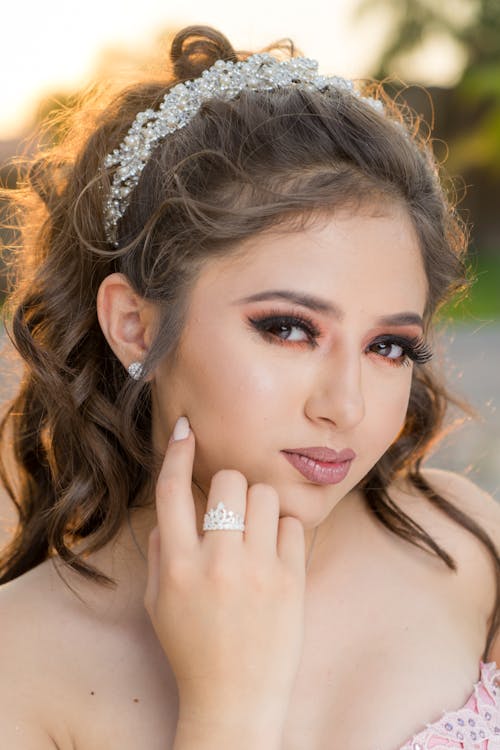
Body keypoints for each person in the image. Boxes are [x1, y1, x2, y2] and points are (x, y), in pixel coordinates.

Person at [0, 24, 498, 750]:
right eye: (289, 329)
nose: (348, 406)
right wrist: (225, 713)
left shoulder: (465, 545)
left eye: (388, 346)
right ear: (135, 327)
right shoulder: (20, 664)